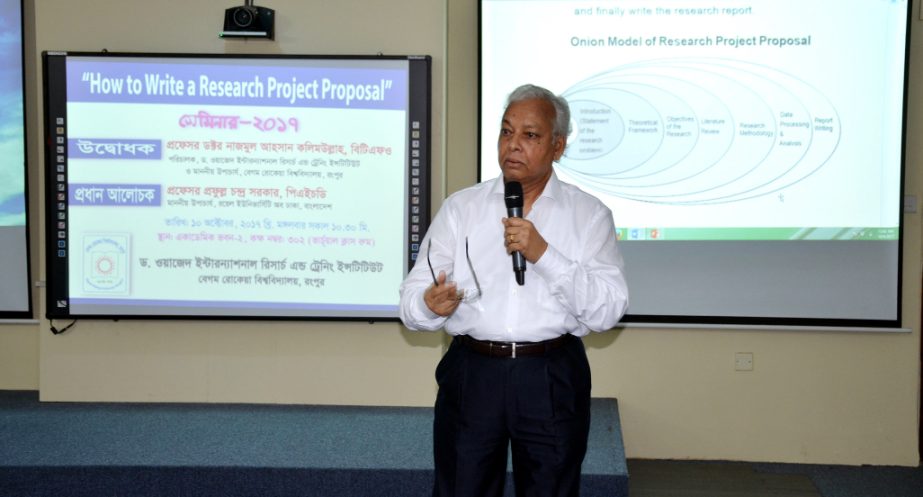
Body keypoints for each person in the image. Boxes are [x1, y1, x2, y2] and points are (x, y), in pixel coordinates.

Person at [399, 84, 629, 497]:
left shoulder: (590, 216)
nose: (513, 145)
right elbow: (414, 297)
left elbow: (607, 311)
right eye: (507, 132)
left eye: (530, 135)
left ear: (557, 146)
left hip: (551, 374)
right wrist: (428, 304)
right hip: (473, 372)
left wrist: (543, 253)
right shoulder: (461, 208)